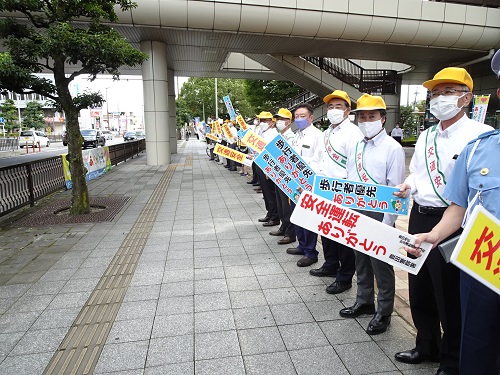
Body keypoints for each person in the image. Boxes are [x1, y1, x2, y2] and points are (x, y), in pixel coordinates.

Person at [405, 50, 500, 375]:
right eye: (435, 93)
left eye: (447, 92)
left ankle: (452, 359)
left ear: (466, 98)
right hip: (423, 217)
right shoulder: (427, 135)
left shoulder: (479, 136)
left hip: (461, 226)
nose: (439, 98)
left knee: (452, 298)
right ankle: (425, 345)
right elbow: (417, 172)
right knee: (419, 288)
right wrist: (408, 186)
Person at [339, 93, 406, 335]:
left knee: (381, 265)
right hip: (356, 210)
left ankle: (384, 311)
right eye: (363, 116)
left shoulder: (393, 148)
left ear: (383, 118)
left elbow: (396, 190)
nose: (367, 120)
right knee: (361, 260)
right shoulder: (356, 145)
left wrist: (387, 224)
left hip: (381, 215)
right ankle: (364, 301)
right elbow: (349, 178)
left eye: (372, 116)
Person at [310, 90, 363, 294]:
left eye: (338, 106)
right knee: (327, 231)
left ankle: (345, 276)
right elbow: (317, 159)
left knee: (343, 237)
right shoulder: (326, 133)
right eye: (330, 107)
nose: (333, 110)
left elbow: (355, 166)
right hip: (324, 189)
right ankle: (330, 264)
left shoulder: (354, 133)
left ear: (348, 110)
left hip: (343, 191)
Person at [286, 103, 323, 267]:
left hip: (308, 184)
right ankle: (301, 245)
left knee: (309, 219)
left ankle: (311, 252)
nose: (299, 119)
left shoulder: (317, 136)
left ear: (311, 118)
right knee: (297, 216)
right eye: (297, 117)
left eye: (303, 116)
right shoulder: (296, 135)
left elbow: (318, 161)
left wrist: (307, 182)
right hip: (294, 184)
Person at [269, 108, 296, 245]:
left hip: (287, 177)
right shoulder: (280, 136)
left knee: (287, 205)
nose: (279, 122)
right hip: (278, 174)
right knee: (280, 204)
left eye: (282, 119)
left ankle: (290, 233)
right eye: (277, 119)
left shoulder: (291, 137)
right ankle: (284, 227)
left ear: (289, 121)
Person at [254, 111, 280, 227]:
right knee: (265, 192)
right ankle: (270, 213)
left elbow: (273, 153)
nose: (262, 123)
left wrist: (269, 170)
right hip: (260, 163)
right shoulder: (262, 132)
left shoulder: (273, 134)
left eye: (265, 121)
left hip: (268, 167)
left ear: (271, 122)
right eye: (261, 121)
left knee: (270, 193)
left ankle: (275, 217)